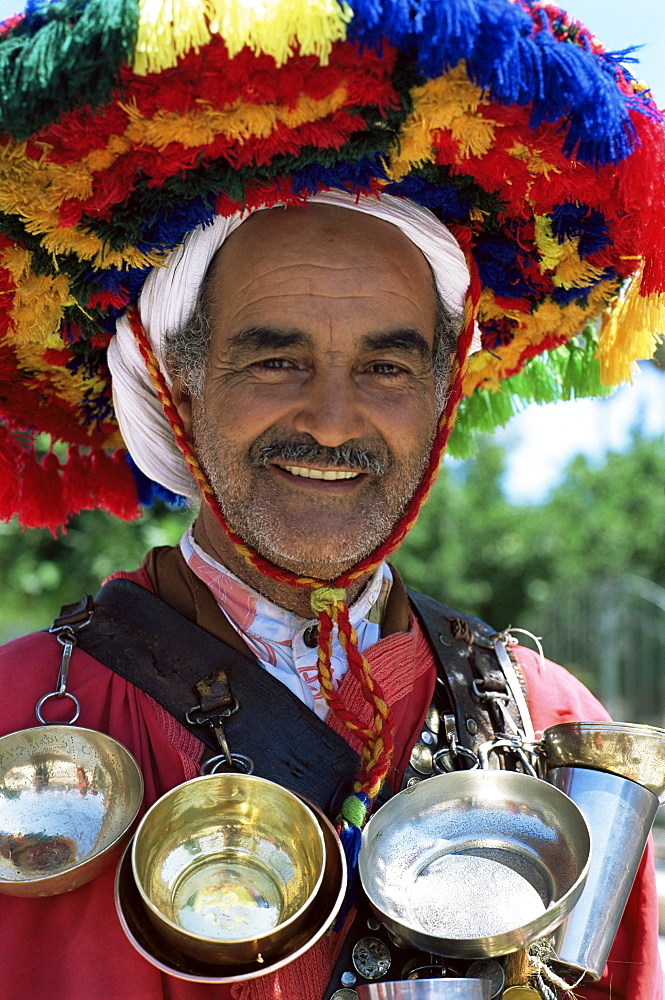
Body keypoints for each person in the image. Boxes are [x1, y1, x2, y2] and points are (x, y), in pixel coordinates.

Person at [0, 2, 664, 998]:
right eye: (275, 359)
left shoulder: (559, 725)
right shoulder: (20, 718)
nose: (330, 417)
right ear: (176, 383)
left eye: (386, 367)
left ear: (444, 394)